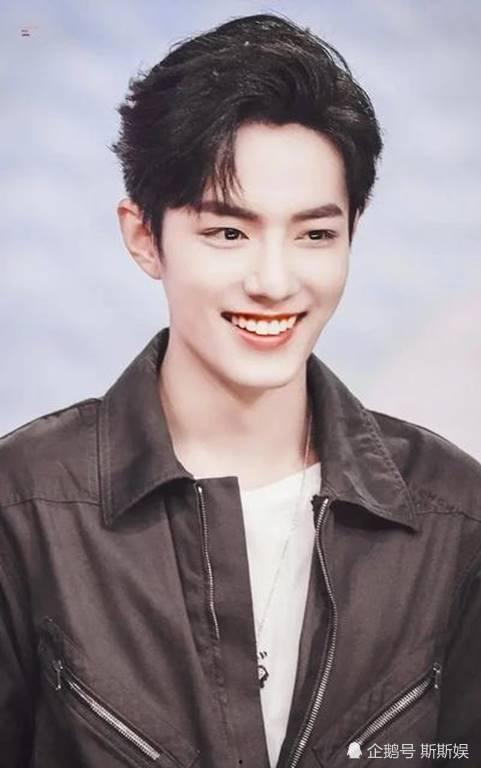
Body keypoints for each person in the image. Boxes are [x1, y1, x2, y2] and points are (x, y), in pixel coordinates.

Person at [0, 12, 480, 768]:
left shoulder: (453, 514)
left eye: (315, 234)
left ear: (353, 234)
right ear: (144, 236)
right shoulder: (25, 506)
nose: (274, 281)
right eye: (228, 232)